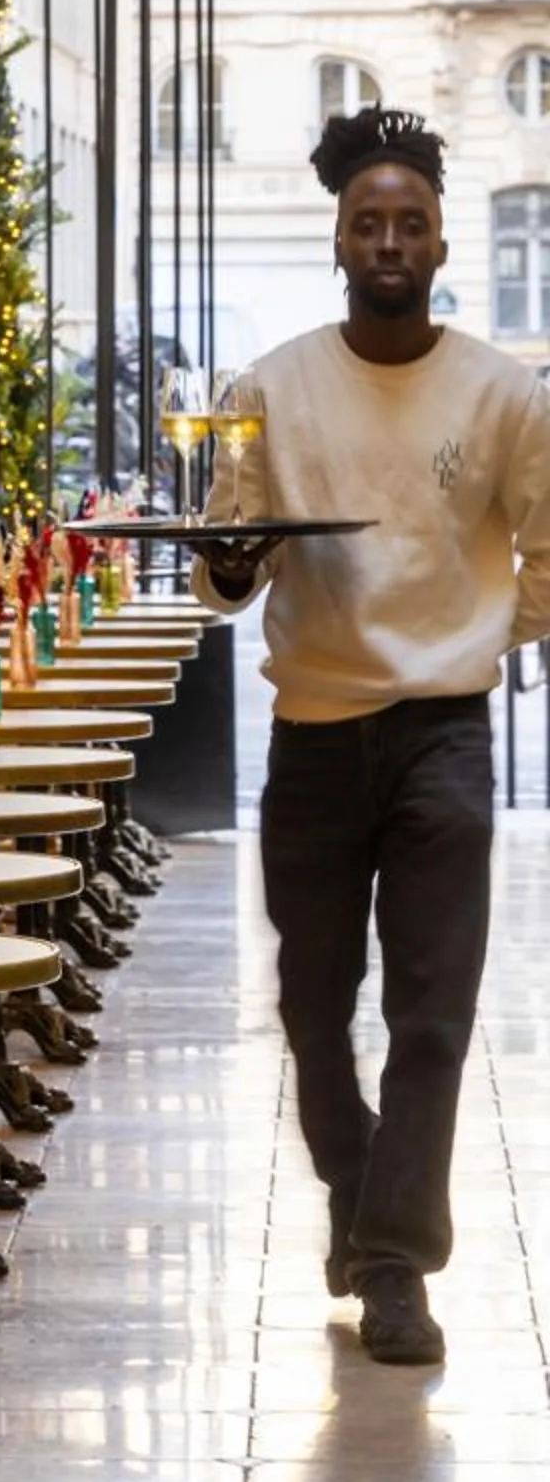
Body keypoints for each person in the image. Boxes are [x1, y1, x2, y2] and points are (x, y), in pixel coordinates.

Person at [197, 103, 550, 1366]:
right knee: (306, 1005)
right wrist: (227, 570)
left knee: (434, 1012)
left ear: (440, 243)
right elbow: (226, 569)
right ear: (336, 241)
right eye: (366, 223)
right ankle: (355, 1194)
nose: (387, 240)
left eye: (408, 223)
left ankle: (395, 1263)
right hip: (312, 734)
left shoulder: (504, 394)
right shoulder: (271, 388)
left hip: (445, 734)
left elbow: (547, 559)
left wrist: (472, 641)